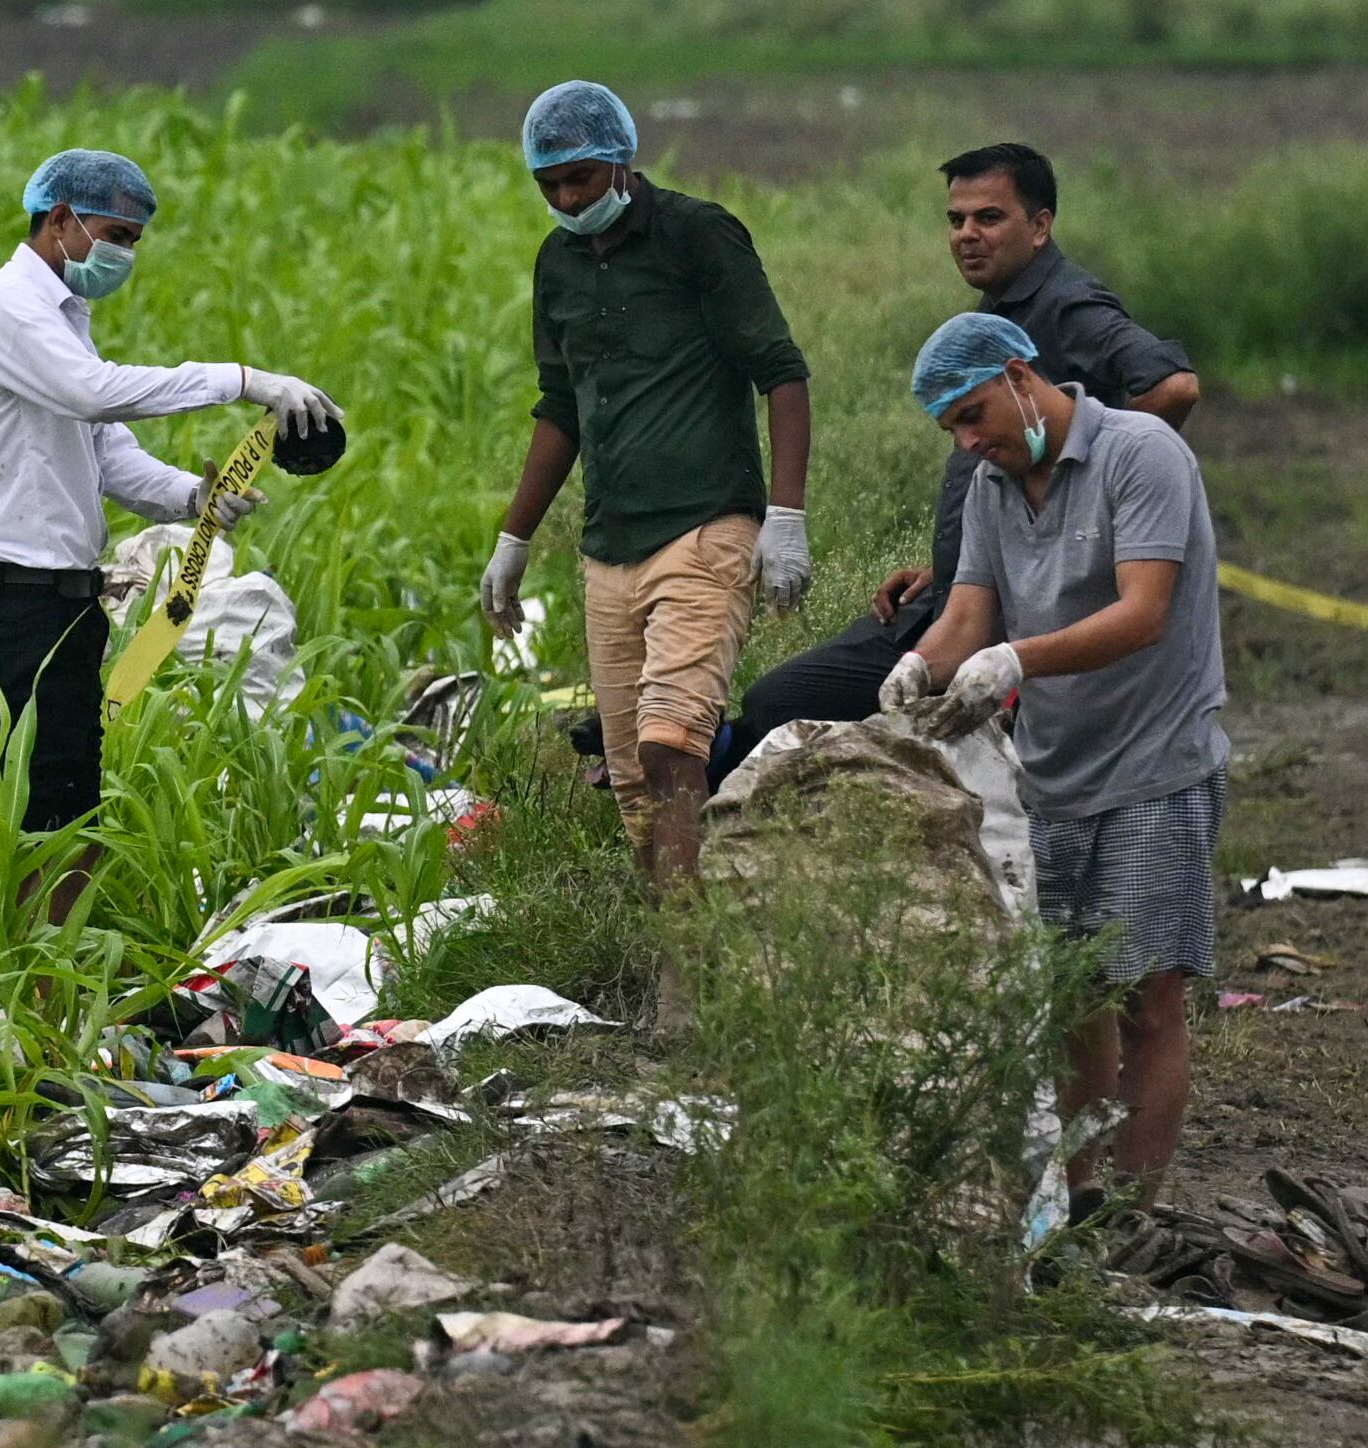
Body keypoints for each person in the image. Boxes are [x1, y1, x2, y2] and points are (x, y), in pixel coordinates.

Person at [714, 142, 1200, 784]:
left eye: (989, 218)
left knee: (790, 707)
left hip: (1023, 612)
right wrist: (961, 559)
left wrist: (1077, 511)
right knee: (790, 705)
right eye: (956, 220)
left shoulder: (1065, 305)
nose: (968, 235)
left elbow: (1174, 386)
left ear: (1040, 225)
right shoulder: (998, 309)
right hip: (962, 591)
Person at [885, 314, 1227, 1209]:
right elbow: (969, 614)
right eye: (951, 431)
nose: (968, 442)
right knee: (1072, 999)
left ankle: (1133, 1216)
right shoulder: (993, 487)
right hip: (1050, 772)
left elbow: (1145, 610)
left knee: (1146, 1000)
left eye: (972, 416)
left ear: (1017, 376)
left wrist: (1020, 660)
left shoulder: (1141, 455)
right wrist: (924, 665)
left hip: (1157, 762)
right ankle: (1077, 1208)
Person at [0, 147, 340, 923]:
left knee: (73, 807)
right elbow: (93, 397)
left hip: (65, 602)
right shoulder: (8, 309)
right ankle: (28, 981)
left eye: (134, 241)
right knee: (37, 816)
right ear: (58, 219)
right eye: (114, 234)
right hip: (16, 602)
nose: (122, 254)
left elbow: (107, 455)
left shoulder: (65, 318)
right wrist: (240, 379)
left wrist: (195, 498)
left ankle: (53, 984)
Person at [478, 82, 812, 890]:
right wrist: (513, 540)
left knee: (672, 745)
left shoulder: (698, 236)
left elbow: (781, 371)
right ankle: (691, 936)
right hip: (610, 545)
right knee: (631, 778)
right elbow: (561, 406)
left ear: (621, 161)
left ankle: (688, 977)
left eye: (582, 180)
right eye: (549, 185)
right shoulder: (556, 264)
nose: (566, 199)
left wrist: (785, 516)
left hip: (703, 527)